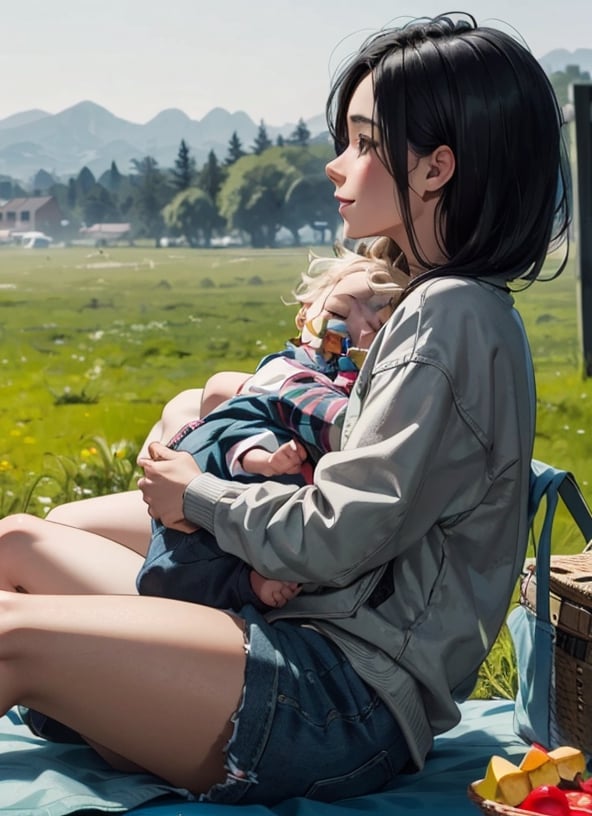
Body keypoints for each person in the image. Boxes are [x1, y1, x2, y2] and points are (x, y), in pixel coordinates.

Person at [0, 11, 570, 806]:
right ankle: (103, 691)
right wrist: (226, 420)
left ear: (437, 168)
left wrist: (197, 493)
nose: (340, 167)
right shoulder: (439, 305)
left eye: (367, 143)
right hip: (306, 640)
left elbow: (340, 534)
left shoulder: (455, 318)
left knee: (13, 638)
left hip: (341, 697)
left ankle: (94, 689)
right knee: (18, 540)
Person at [138, 238, 408, 612]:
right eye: (340, 310)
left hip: (248, 519)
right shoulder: (290, 376)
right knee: (179, 573)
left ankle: (247, 585)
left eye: (376, 326)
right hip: (211, 510)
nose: (352, 327)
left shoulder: (330, 381)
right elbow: (345, 430)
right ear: (304, 316)